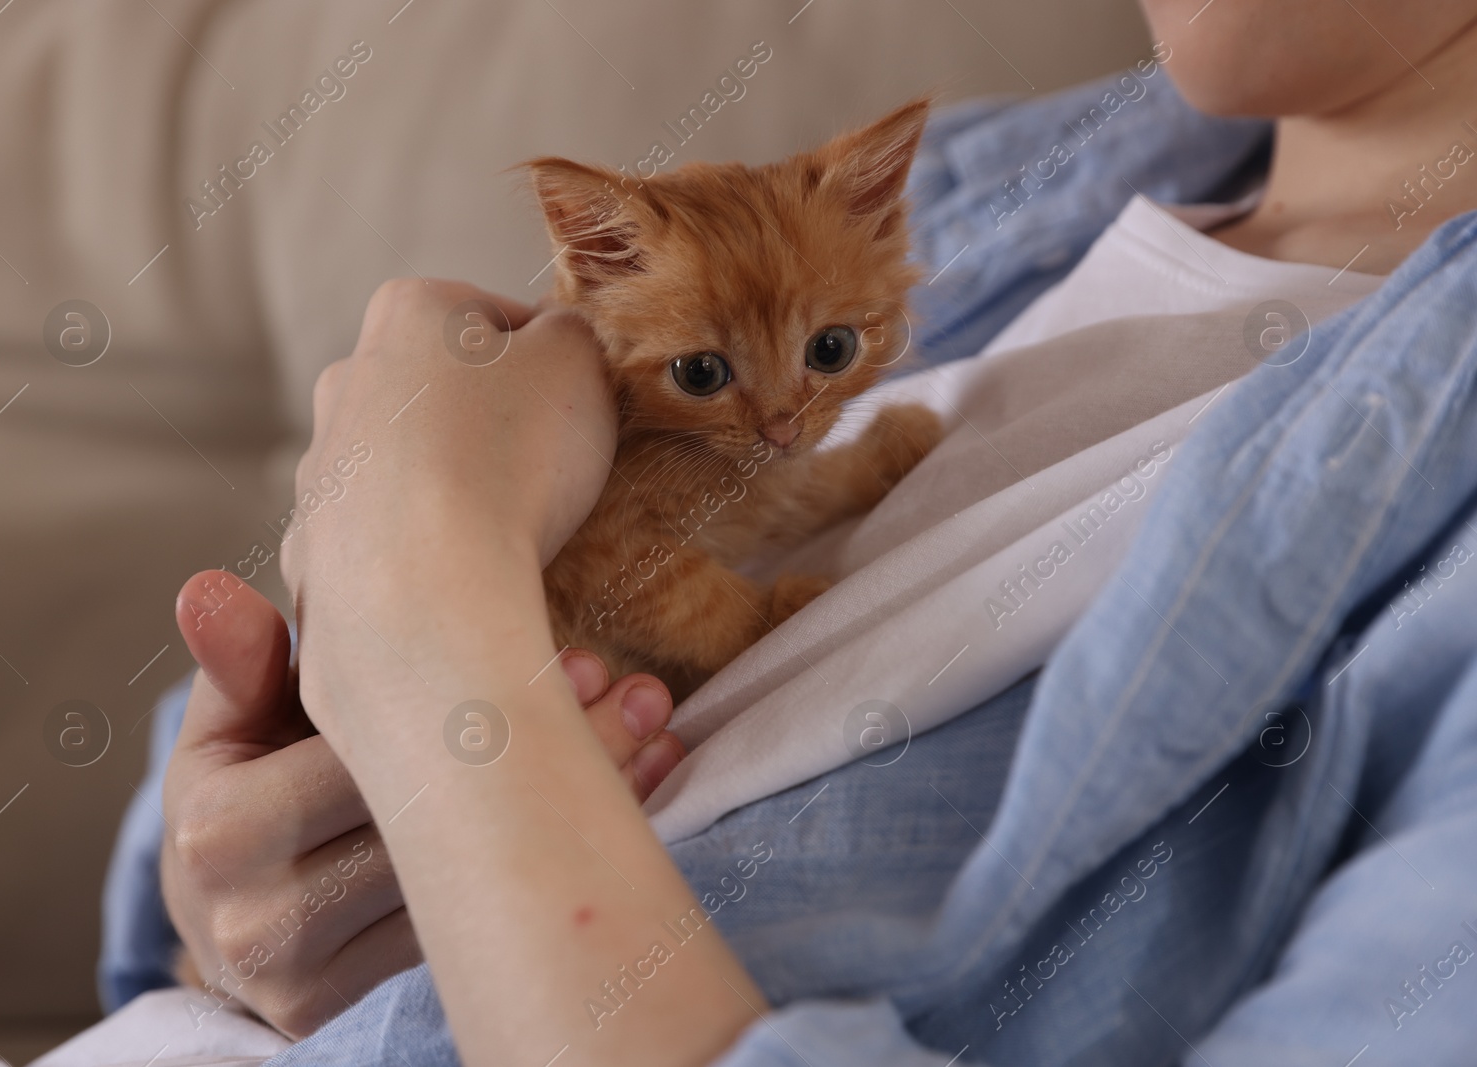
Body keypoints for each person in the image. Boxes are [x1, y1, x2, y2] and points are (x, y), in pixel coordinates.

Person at [106, 0, 1477, 1063]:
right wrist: (226, 888)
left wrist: (426, 625)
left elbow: (419, 627)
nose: (783, 419)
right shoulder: (973, 193)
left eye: (827, 358)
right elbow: (207, 860)